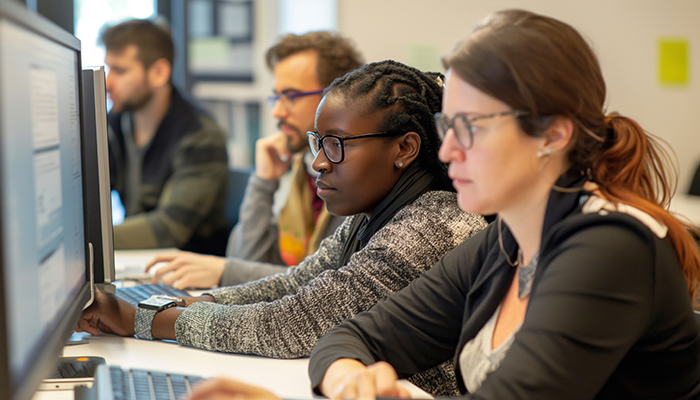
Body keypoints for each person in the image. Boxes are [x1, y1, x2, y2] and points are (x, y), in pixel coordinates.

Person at [304, 10, 700, 400]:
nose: (448, 150)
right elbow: (350, 336)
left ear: (553, 134)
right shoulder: (506, 240)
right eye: (447, 126)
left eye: (470, 126)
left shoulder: (611, 248)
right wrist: (348, 382)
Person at [76, 61, 488, 397]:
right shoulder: (373, 213)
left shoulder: (433, 226)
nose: (319, 163)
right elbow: (295, 284)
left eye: (337, 144)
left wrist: (142, 320)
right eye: (318, 142)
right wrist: (181, 305)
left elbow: (290, 323)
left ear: (404, 149)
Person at [144, 32, 364, 288]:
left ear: (335, 98)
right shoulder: (298, 169)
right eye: (276, 97)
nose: (277, 112)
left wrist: (226, 272)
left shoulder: (358, 180)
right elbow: (247, 263)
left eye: (290, 97)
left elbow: (329, 286)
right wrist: (263, 182)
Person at [103, 19, 229, 255]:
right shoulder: (115, 123)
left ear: (159, 72)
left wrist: (86, 239)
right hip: (139, 264)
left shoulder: (200, 135)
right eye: (108, 68)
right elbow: (91, 194)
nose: (108, 82)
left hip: (190, 278)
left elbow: (168, 229)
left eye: (119, 70)